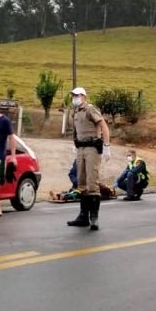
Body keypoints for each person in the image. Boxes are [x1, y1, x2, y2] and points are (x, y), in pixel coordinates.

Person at [67, 87, 111, 231]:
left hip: (92, 147)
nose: (74, 97)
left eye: (77, 95)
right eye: (73, 95)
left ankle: (94, 217)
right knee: (81, 182)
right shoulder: (75, 111)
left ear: (84, 96)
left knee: (92, 182)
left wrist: (107, 145)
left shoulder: (90, 109)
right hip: (81, 148)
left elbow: (102, 124)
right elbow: (75, 130)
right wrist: (75, 143)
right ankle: (83, 216)